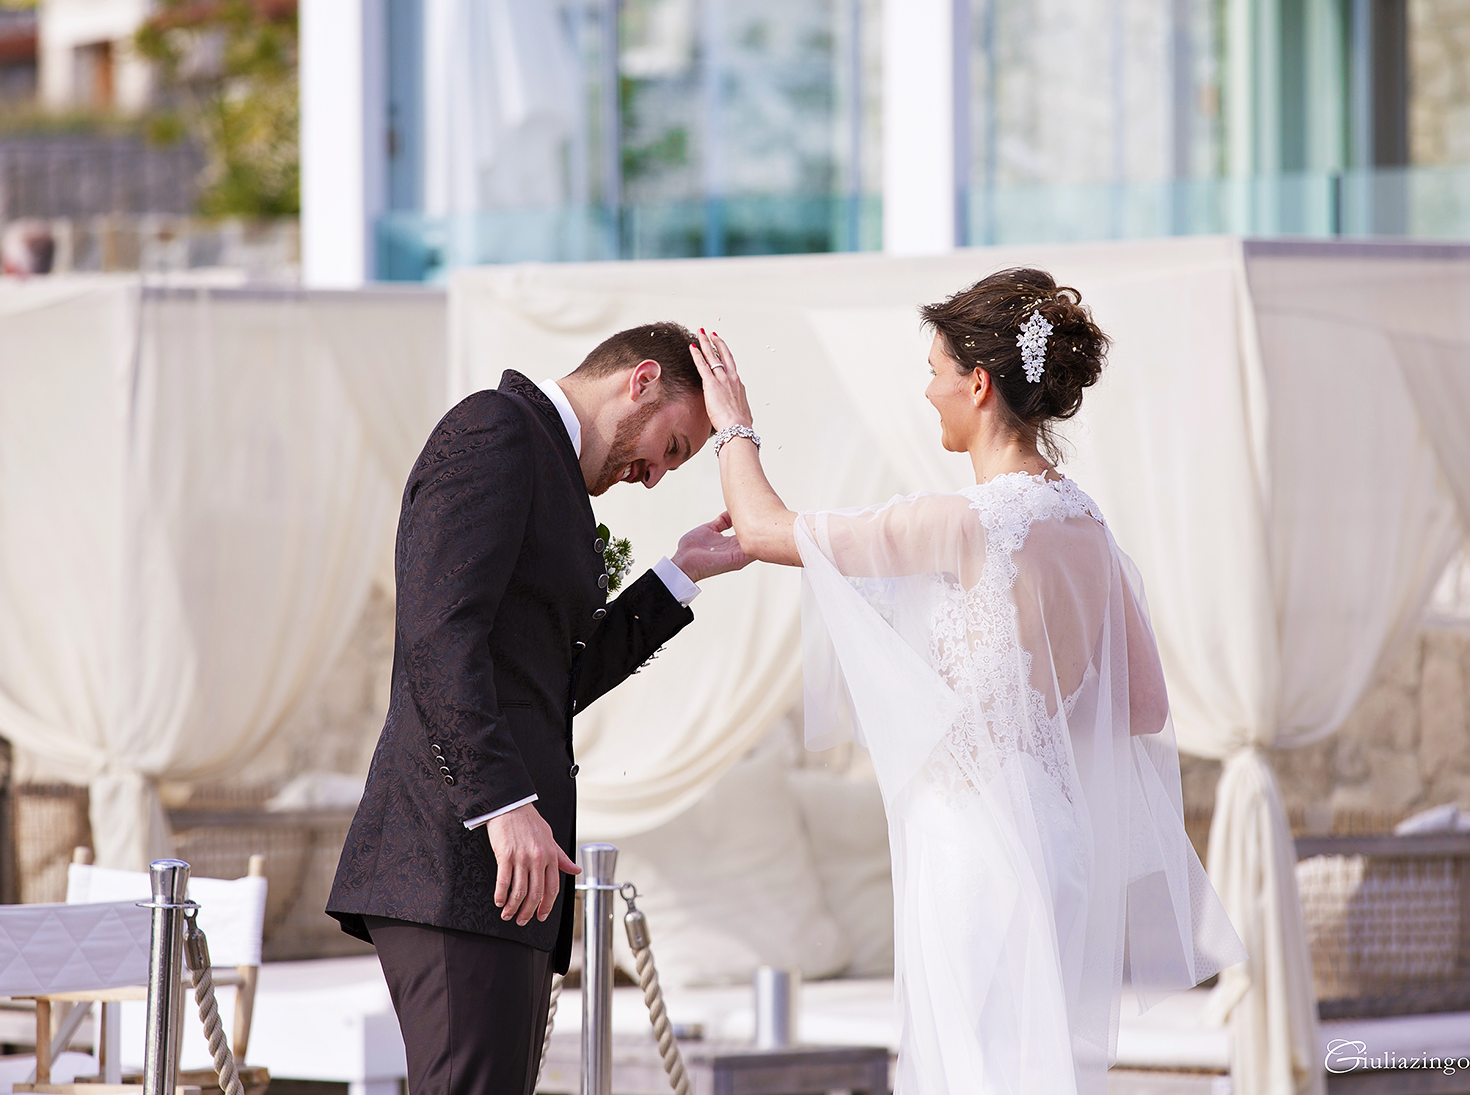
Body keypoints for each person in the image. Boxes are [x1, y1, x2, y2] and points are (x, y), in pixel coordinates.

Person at [690, 269, 1247, 1095]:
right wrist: (1029, 715)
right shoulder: (1087, 524)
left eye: (934, 371)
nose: (926, 390)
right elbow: (1144, 704)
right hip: (1057, 839)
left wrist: (732, 425)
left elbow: (768, 528)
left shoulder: (960, 522)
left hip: (971, 846)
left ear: (978, 384)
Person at [327, 322, 749, 1095]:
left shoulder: (543, 462)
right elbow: (437, 629)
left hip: (505, 876)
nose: (656, 475)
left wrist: (679, 575)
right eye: (676, 446)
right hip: (455, 865)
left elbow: (547, 681)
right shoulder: (494, 431)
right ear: (642, 380)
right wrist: (502, 803)